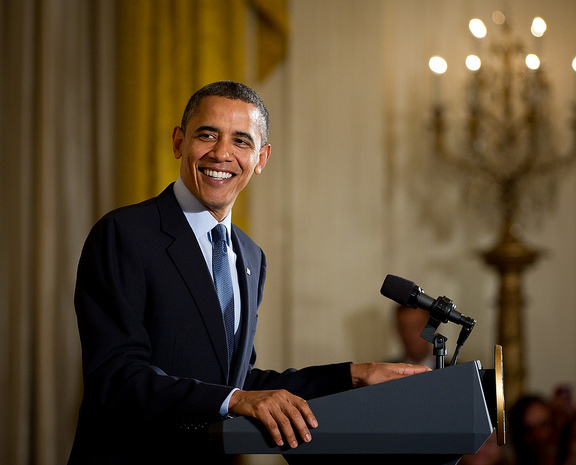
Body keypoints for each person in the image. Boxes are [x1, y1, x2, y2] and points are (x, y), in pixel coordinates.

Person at [67, 81, 429, 464]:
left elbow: (236, 384)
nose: (222, 153)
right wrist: (237, 398)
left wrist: (355, 375)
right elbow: (116, 376)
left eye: (241, 141)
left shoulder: (250, 256)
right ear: (178, 142)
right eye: (207, 135)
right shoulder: (125, 234)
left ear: (262, 158)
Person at [392, 304, 436, 368]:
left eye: (418, 326)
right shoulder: (386, 373)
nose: (411, 334)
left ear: (432, 329)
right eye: (404, 327)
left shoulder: (452, 371)